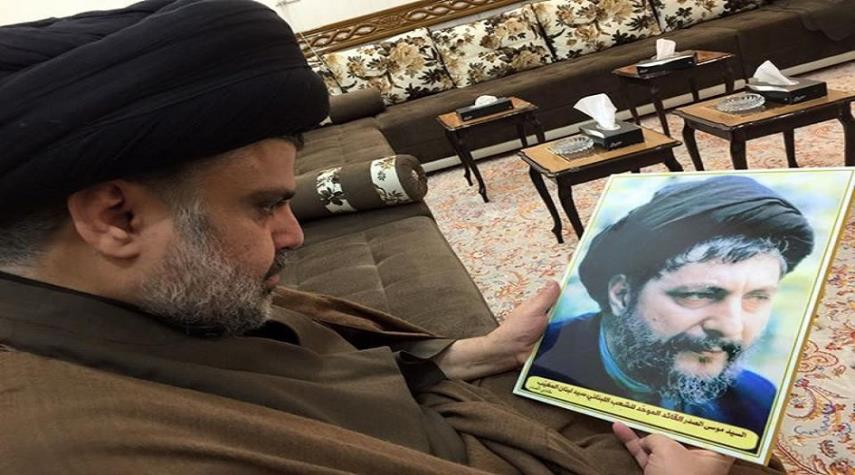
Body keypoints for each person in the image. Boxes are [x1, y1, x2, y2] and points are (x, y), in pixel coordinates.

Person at [0, 1, 785, 473]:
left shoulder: (145, 293)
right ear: (116, 217)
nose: (292, 232)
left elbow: (316, 359)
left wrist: (469, 354)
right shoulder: (73, 448)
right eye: (263, 206)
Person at [528, 176, 814, 438]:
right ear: (622, 295)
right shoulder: (535, 363)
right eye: (698, 295)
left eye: (757, 297)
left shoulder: (755, 401)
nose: (731, 327)